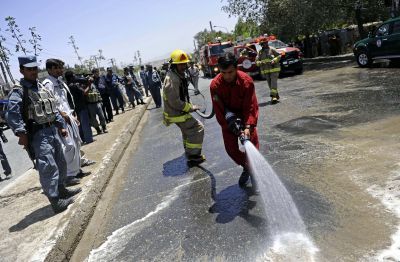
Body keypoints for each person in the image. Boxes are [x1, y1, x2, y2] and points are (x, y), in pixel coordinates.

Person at [6, 56, 80, 213]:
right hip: (38, 135)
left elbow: (52, 107)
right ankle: (55, 201)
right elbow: (12, 114)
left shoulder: (41, 87)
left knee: (60, 162)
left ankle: (62, 190)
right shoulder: (19, 91)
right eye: (29, 69)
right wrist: (22, 133)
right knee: (48, 166)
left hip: (52, 130)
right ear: (22, 70)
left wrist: (60, 125)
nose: (33, 72)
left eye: (35, 68)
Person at [210, 52, 259, 189]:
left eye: (231, 72)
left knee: (252, 145)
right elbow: (219, 110)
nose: (227, 76)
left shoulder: (247, 82)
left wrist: (248, 127)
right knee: (231, 149)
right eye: (223, 72)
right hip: (228, 121)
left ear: (236, 68)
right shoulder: (215, 86)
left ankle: (254, 168)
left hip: (245, 116)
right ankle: (248, 167)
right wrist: (229, 125)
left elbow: (251, 106)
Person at [42, 59, 83, 185]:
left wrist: (72, 113)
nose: (61, 70)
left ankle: (76, 170)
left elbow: (65, 100)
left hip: (69, 116)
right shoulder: (48, 83)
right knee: (68, 146)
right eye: (57, 68)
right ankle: (68, 176)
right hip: (61, 119)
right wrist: (62, 115)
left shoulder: (59, 81)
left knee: (76, 143)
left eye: (61, 67)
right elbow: (51, 103)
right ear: (50, 69)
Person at [163, 49, 205, 165]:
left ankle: (189, 151)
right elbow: (174, 101)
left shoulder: (177, 75)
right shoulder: (172, 79)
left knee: (187, 131)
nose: (184, 66)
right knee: (197, 128)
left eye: (184, 64)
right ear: (174, 65)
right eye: (180, 64)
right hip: (176, 113)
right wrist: (190, 107)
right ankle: (193, 156)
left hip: (178, 111)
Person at [64, 71, 94, 144]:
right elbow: (84, 92)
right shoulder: (74, 85)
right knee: (85, 124)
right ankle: (89, 139)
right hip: (81, 106)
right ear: (71, 77)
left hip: (73, 108)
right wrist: (89, 85)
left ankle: (82, 139)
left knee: (79, 125)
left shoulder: (66, 86)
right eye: (74, 76)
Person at [256, 37, 281, 104]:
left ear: (267, 43)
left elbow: (279, 56)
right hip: (266, 71)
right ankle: (276, 94)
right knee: (270, 84)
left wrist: (274, 60)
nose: (264, 45)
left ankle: (273, 97)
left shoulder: (272, 49)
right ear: (261, 45)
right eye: (262, 44)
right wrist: (260, 63)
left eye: (265, 43)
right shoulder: (260, 52)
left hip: (274, 69)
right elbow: (257, 62)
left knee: (273, 82)